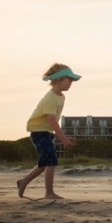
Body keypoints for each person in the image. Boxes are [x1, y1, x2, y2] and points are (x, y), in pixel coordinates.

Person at [17, 63, 79, 200]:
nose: (71, 83)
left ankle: (23, 182)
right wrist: (63, 138)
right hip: (39, 131)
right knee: (51, 161)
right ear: (59, 79)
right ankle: (49, 193)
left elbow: (53, 121)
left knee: (44, 163)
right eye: (69, 79)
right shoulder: (50, 98)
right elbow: (52, 120)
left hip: (47, 132)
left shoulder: (61, 97)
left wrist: (60, 136)